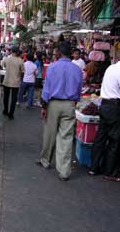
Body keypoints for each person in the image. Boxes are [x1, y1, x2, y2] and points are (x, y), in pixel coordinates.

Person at [36, 42, 82, 181]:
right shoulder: (77, 69)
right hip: (70, 105)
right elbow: (79, 89)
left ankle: (45, 160)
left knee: (50, 133)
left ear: (59, 53)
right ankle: (64, 171)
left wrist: (44, 107)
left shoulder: (52, 67)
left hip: (53, 104)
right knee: (66, 138)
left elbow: (47, 89)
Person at [89, 61, 120, 182]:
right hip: (114, 107)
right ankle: (110, 172)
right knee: (115, 140)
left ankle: (94, 167)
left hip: (105, 105)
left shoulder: (111, 68)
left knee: (101, 138)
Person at [2, 46, 24, 119]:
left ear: (11, 51)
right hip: (16, 81)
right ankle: (11, 114)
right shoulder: (20, 60)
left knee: (6, 97)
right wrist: (21, 78)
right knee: (14, 99)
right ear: (17, 52)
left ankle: (5, 110)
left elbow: (4, 66)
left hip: (7, 80)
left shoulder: (6, 59)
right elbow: (22, 72)